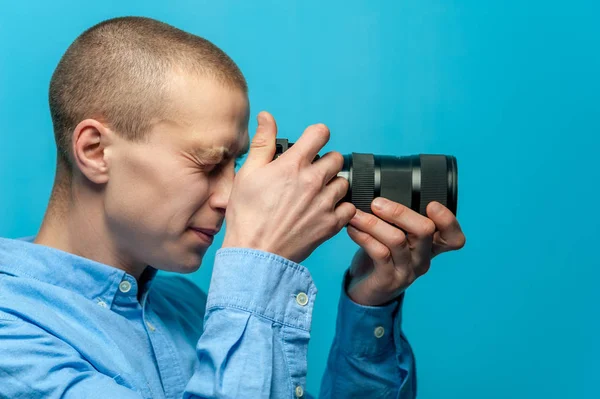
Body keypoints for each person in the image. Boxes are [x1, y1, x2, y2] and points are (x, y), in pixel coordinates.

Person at [0, 16, 466, 399]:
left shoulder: (188, 310)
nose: (229, 197)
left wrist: (371, 303)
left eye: (237, 163)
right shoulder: (12, 336)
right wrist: (260, 258)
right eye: (208, 164)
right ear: (96, 151)